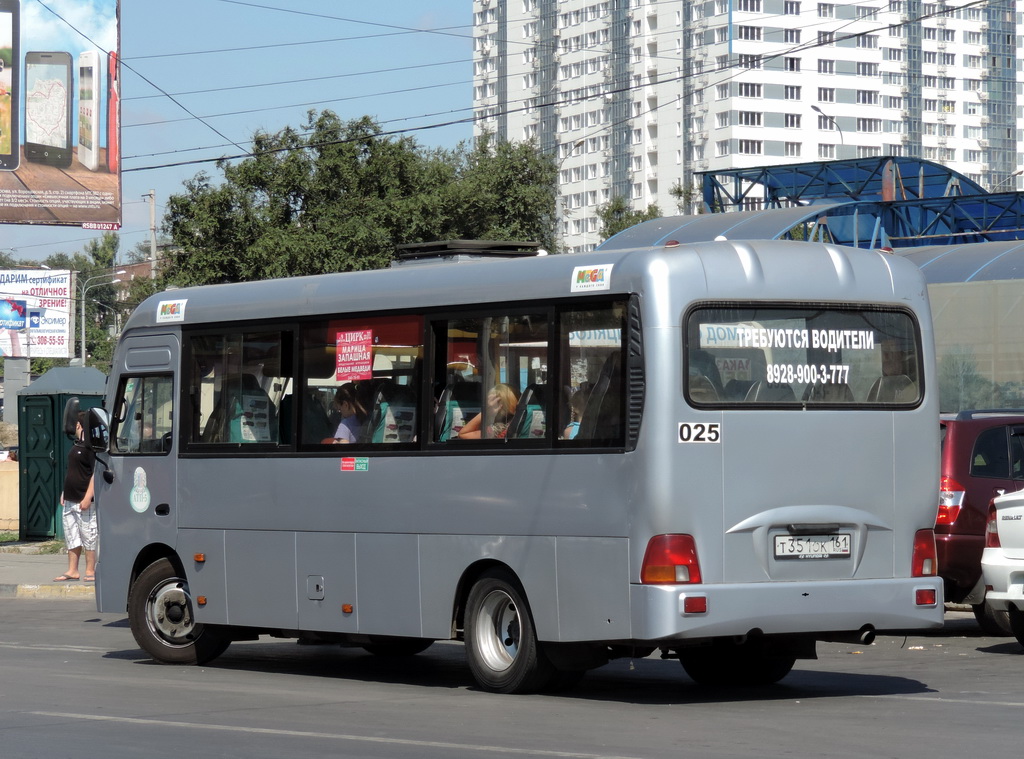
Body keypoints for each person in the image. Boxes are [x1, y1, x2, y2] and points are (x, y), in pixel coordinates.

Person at [54, 413, 97, 582]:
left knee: (89, 535)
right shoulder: (76, 445)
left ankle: (90, 570)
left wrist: (88, 497)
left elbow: (95, 474)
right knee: (72, 535)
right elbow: (73, 470)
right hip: (70, 499)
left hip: (83, 500)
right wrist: (65, 492)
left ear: (79, 425)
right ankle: (72, 570)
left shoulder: (91, 447)